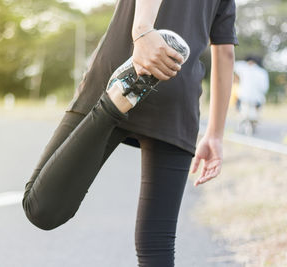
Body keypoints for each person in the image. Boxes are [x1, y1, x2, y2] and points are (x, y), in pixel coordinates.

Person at [22, 0, 238, 266]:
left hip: (122, 68)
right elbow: (225, 52)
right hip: (175, 87)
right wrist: (215, 134)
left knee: (41, 207)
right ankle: (115, 102)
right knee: (156, 245)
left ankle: (112, 105)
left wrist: (143, 31)